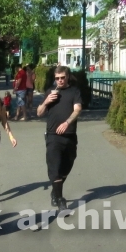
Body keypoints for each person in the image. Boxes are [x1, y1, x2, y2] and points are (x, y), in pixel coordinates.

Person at [36, 64, 82, 209]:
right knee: (54, 168)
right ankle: (61, 200)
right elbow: (39, 113)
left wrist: (67, 123)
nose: (60, 81)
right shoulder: (50, 91)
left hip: (69, 136)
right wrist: (46, 101)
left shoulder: (74, 91)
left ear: (67, 77)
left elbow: (77, 109)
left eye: (62, 78)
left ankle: (55, 192)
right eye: (57, 79)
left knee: (66, 167)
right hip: (52, 136)